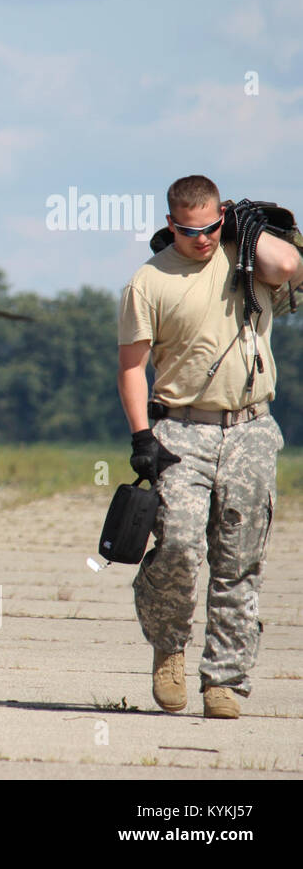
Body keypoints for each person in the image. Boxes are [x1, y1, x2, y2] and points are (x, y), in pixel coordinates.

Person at [117, 175, 302, 719]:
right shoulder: (148, 282)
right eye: (189, 230)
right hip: (180, 429)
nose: (202, 239)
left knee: (239, 560)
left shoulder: (247, 259)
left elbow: (290, 268)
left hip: (250, 427)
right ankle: (168, 645)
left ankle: (224, 679)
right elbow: (131, 368)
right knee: (176, 545)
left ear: (222, 216)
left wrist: (243, 226)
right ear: (170, 223)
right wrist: (140, 437)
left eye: (211, 226)